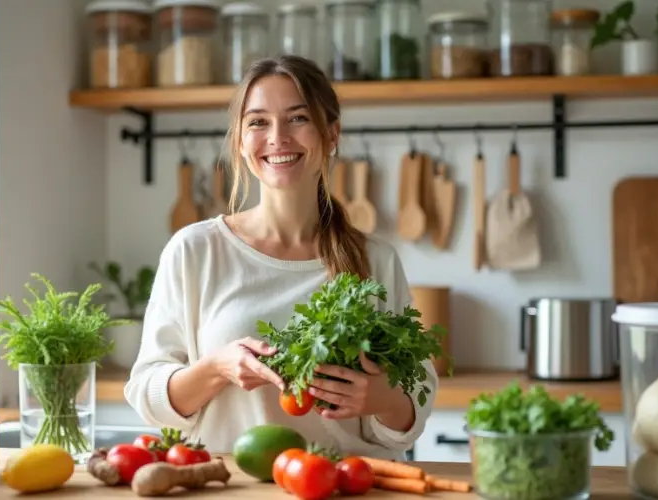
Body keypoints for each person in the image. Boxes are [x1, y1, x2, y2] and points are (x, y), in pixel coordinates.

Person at [124, 55, 438, 460]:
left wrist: (383, 398)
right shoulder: (196, 250)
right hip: (231, 485)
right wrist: (217, 368)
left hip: (344, 482)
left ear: (332, 133)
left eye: (298, 118)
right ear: (240, 141)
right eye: (258, 122)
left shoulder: (375, 259)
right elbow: (147, 395)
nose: (278, 137)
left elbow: (414, 406)